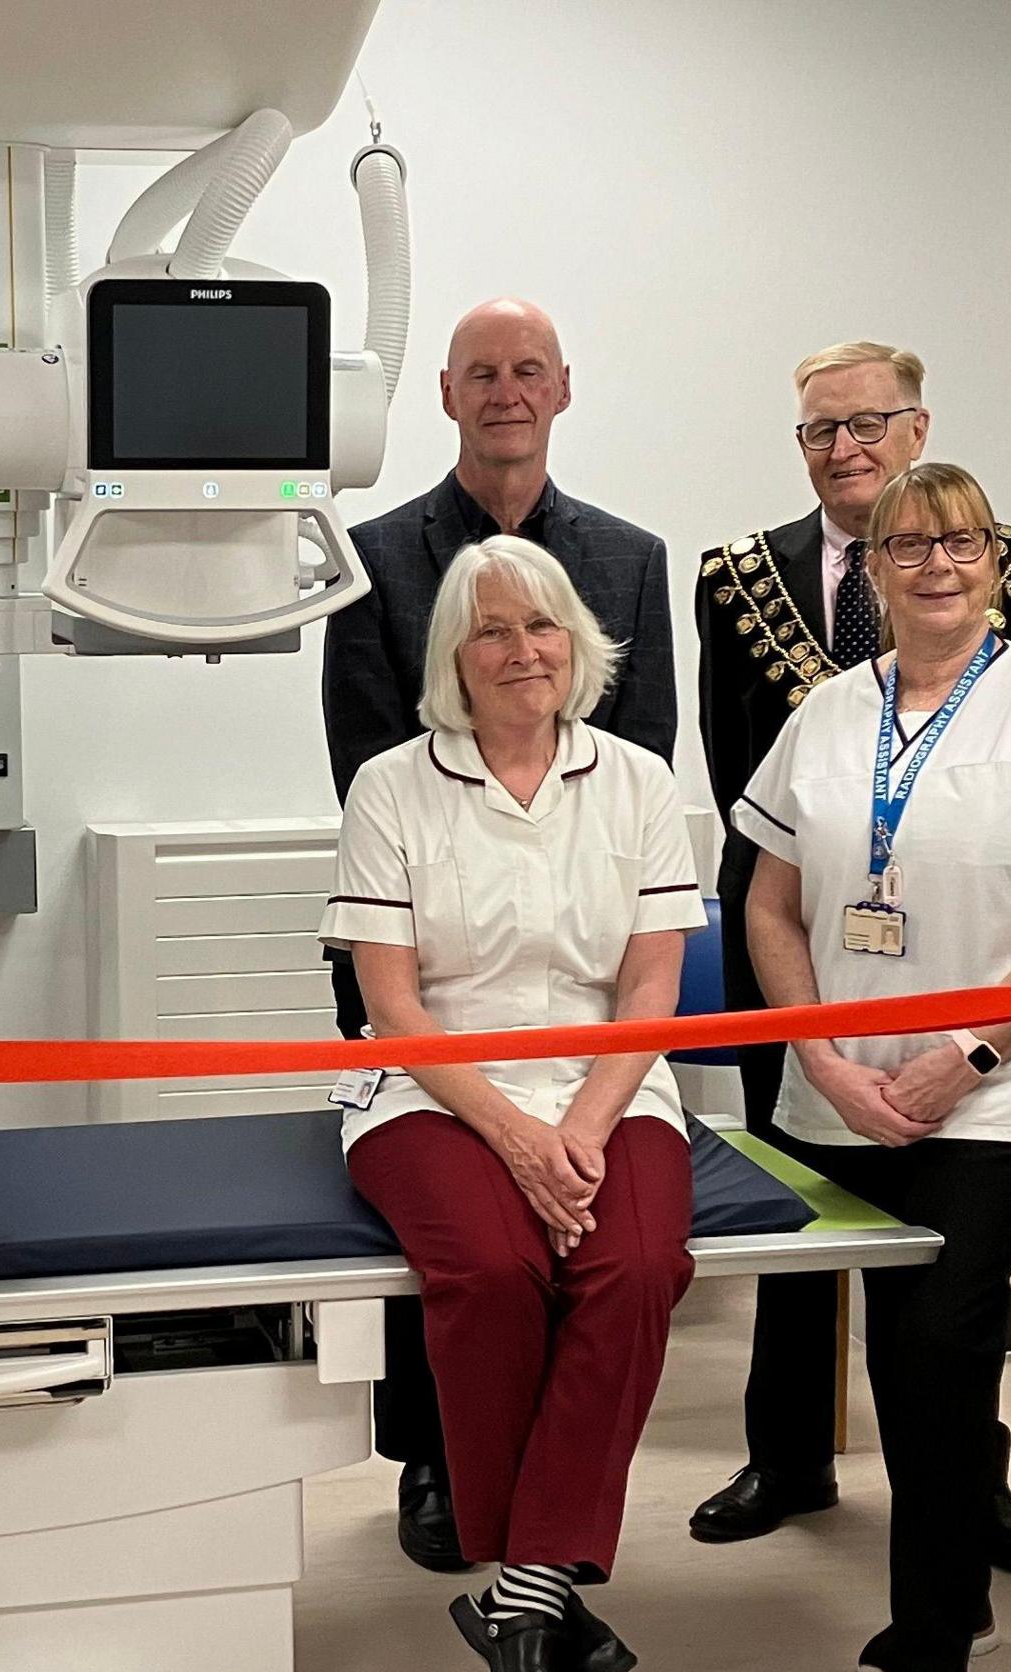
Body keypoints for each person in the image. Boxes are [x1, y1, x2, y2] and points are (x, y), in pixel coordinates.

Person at [726, 464, 1011, 1672]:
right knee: (906, 1346)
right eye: (909, 542)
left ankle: (936, 1646)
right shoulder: (828, 714)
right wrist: (828, 1055)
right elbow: (770, 907)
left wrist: (965, 1054)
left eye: (961, 540)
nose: (936, 561)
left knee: (937, 1344)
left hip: (998, 1087)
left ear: (996, 558)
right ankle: (942, 1591)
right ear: (879, 566)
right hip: (846, 1087)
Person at [692, 337, 1011, 1557]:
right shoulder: (738, 576)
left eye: (868, 424)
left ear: (919, 431)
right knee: (804, 1216)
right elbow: (729, 763)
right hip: (804, 954)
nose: (846, 448)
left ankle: (966, 1478)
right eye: (821, 430)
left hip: (976, 989)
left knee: (944, 1296)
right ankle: (787, 1456)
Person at [317, 296, 675, 1575]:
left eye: (529, 371)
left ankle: (533, 1561)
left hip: (590, 1000)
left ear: (561, 389)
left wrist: (573, 1120)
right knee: (477, 1262)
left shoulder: (627, 558)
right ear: (448, 393)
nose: (507, 390)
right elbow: (368, 751)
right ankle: (441, 1470)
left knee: (612, 1260)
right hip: (426, 963)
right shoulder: (374, 556)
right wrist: (457, 823)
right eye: (483, 373)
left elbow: (649, 761)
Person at [326, 534, 701, 1672]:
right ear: (455, 658)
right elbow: (395, 1006)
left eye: (540, 626)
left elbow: (653, 981)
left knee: (637, 1268)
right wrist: (515, 1135)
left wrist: (582, 1123)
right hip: (433, 1091)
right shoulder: (392, 786)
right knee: (492, 1271)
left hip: (608, 1083)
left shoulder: (641, 781)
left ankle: (520, 1591)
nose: (521, 650)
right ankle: (536, 1577)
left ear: (576, 643)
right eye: (491, 631)